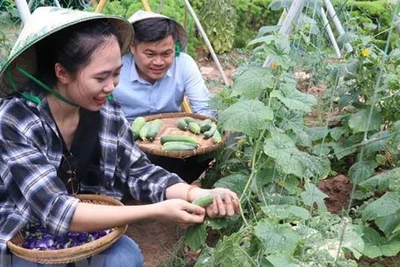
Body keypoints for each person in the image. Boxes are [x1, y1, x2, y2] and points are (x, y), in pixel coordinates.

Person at [0, 7, 239, 267]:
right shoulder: (16, 119)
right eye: (101, 77)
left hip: (88, 231)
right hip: (23, 234)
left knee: (125, 258)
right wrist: (157, 210)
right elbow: (56, 210)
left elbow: (139, 172)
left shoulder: (106, 110)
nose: (112, 86)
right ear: (62, 73)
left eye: (116, 73)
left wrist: (193, 194)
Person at [113, 10, 217, 184]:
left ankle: (173, 190)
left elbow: (205, 109)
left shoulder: (184, 64)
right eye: (150, 54)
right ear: (132, 47)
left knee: (204, 154)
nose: (159, 62)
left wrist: (206, 133)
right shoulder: (117, 68)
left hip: (173, 141)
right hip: (126, 144)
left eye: (166, 54)